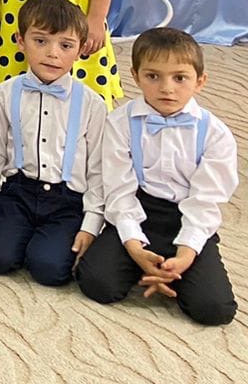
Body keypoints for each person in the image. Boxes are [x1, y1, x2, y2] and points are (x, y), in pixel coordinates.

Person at [77, 28, 238, 326]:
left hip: (186, 215)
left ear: (200, 81)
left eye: (180, 78)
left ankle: (169, 269)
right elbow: (118, 189)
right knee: (96, 283)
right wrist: (134, 246)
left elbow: (205, 201)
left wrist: (186, 254)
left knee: (215, 309)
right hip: (138, 210)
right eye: (153, 76)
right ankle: (147, 263)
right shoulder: (120, 123)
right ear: (136, 76)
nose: (167, 88)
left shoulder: (215, 134)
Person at [0, 0, 107, 286]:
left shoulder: (92, 104)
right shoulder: (4, 93)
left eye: (65, 45)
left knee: (49, 269)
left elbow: (98, 169)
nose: (52, 54)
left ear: (81, 50)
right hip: (18, 193)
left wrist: (91, 224)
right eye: (40, 41)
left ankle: (43, 243)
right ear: (20, 41)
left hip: (67, 201)